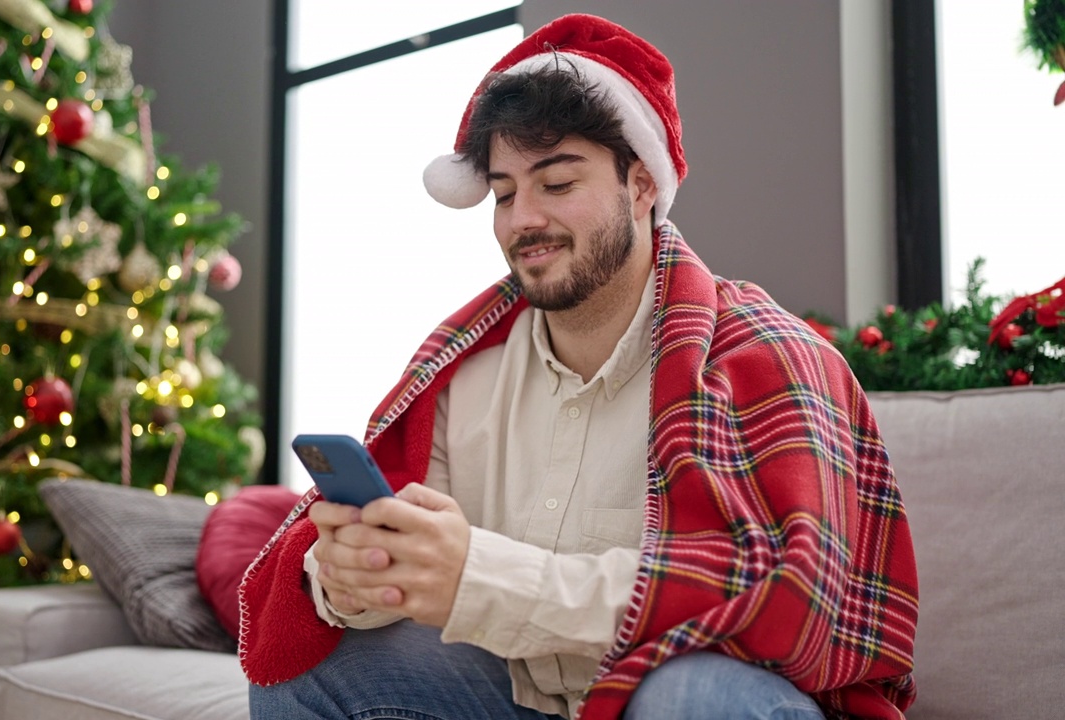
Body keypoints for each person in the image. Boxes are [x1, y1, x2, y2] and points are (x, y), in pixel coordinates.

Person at [240, 13, 918, 720]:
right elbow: (420, 576)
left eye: (557, 183)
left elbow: (780, 597)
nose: (521, 219)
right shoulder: (463, 377)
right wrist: (352, 574)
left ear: (641, 186)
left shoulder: (763, 357)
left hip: (692, 697)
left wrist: (481, 576)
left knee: (692, 697)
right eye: (503, 193)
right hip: (526, 698)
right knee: (305, 672)